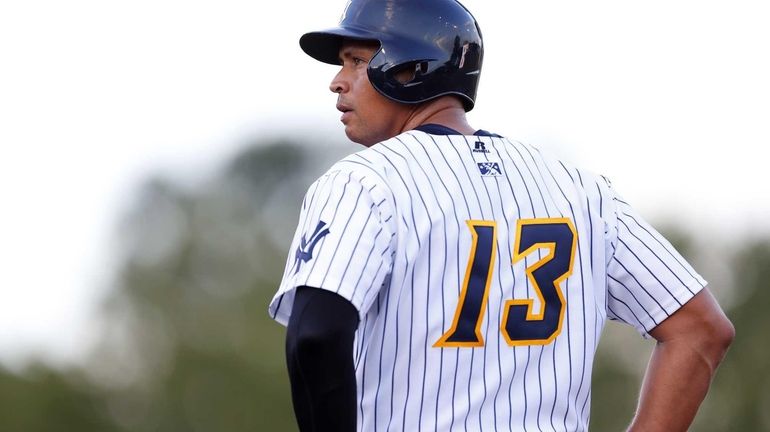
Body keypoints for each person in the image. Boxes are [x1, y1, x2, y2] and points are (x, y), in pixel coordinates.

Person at [268, 0, 735, 430]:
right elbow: (699, 328)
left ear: (409, 68)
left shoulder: (365, 182)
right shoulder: (583, 191)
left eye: (356, 60)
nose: (337, 79)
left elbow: (316, 334)